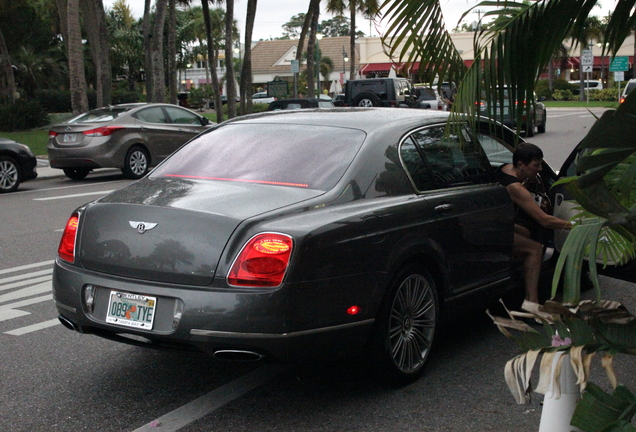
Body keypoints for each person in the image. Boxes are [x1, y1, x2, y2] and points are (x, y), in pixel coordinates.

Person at [496, 143, 573, 304]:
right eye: (535, 165)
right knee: (535, 249)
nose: (539, 170)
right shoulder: (515, 188)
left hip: (497, 221)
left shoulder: (506, 168)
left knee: (527, 233)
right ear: (521, 165)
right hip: (495, 229)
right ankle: (532, 302)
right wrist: (573, 225)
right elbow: (544, 220)